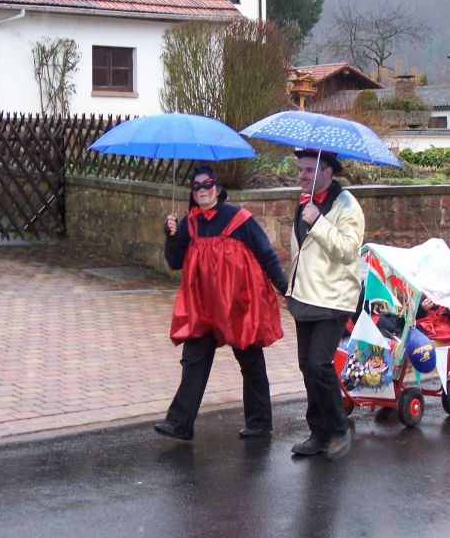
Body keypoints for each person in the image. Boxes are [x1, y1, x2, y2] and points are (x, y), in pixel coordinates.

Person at [154, 165, 288, 441]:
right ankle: (179, 423)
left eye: (207, 184)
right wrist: (171, 237)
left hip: (238, 302)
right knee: (194, 360)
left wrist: (286, 288)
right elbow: (175, 262)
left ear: (217, 187)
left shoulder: (239, 219)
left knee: (250, 360)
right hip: (202, 305)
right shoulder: (188, 224)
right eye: (196, 186)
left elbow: (266, 254)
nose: (202, 190)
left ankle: (260, 423)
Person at [287, 149, 365, 461]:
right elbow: (302, 249)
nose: (302, 176)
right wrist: (291, 286)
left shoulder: (347, 206)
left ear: (328, 171)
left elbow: (348, 250)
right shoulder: (305, 200)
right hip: (305, 295)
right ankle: (318, 432)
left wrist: (318, 222)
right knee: (307, 365)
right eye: (300, 170)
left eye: (309, 170)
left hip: (335, 297)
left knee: (320, 364)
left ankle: (338, 428)